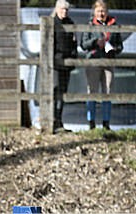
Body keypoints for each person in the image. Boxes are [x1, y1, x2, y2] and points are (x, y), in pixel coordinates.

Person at [79, 0, 123, 130]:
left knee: (107, 91)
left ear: (107, 12)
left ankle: (106, 122)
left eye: (103, 11)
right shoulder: (90, 25)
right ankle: (91, 122)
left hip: (109, 61)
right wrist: (95, 42)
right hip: (93, 61)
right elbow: (83, 44)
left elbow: (120, 45)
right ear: (94, 12)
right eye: (98, 11)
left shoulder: (114, 25)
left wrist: (114, 48)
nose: (101, 13)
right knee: (92, 91)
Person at [52, 0, 77, 132]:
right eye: (62, 9)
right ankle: (52, 120)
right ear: (57, 9)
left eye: (66, 10)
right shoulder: (52, 23)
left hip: (67, 63)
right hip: (55, 64)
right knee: (54, 91)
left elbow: (74, 42)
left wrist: (73, 58)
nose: (64, 12)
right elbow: (48, 44)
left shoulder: (71, 23)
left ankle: (59, 120)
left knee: (63, 92)